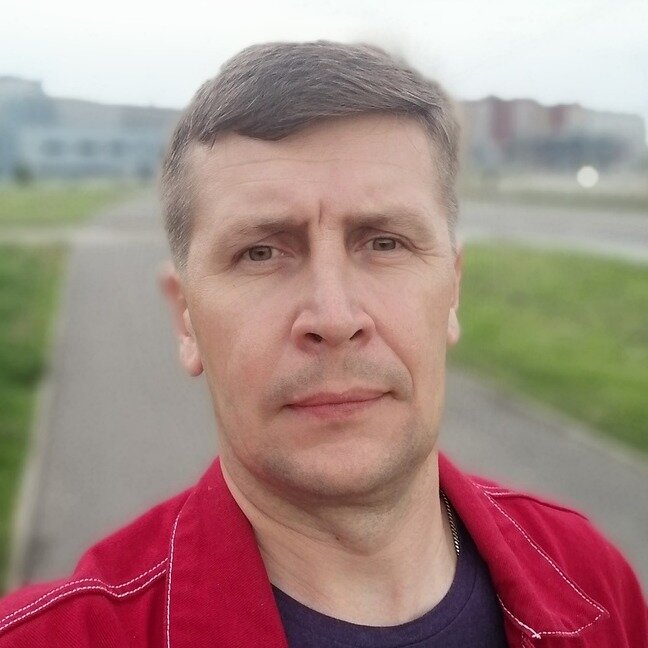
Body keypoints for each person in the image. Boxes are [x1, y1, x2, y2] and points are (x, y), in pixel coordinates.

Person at [0, 41, 645, 647]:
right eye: (261, 252)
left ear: (452, 291)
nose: (334, 318)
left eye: (385, 242)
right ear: (186, 318)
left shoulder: (592, 578)